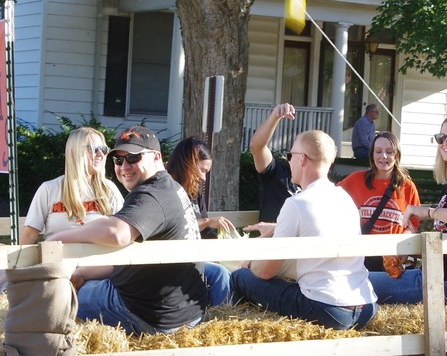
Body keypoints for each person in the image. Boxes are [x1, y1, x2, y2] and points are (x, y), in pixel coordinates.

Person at [47, 125, 207, 334]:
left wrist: (59, 238)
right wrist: (84, 272)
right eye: (118, 160)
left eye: (133, 158)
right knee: (79, 279)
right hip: (183, 312)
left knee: (61, 295)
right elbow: (128, 261)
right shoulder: (170, 187)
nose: (124, 167)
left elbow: (117, 234)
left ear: (156, 157)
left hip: (149, 316)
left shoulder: (152, 195)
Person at [231, 130, 378, 330]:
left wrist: (250, 263)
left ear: (302, 159)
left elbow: (266, 271)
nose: (288, 161)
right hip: (367, 306)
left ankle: (241, 333)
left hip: (329, 308)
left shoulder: (297, 203)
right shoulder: (345, 199)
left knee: (240, 278)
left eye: (290, 156)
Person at [367, 113, 447, 306]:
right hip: (446, 280)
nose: (445, 143)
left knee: (361, 283)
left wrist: (429, 212)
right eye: (441, 138)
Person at [21, 127, 123, 244]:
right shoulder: (49, 189)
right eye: (94, 149)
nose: (100, 154)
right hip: (57, 260)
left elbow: (122, 231)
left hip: (97, 261)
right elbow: (29, 234)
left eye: (104, 149)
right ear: (73, 152)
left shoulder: (109, 189)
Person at [337, 131, 421, 272]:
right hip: (360, 258)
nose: (383, 156)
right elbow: (331, 198)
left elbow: (413, 225)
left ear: (397, 155)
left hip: (392, 258)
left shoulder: (407, 186)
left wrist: (401, 248)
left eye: (389, 152)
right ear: (372, 154)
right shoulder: (355, 179)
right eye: (378, 151)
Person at [167, 137, 235, 306]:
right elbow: (173, 227)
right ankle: (222, 320)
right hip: (175, 259)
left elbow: (206, 230)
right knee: (220, 273)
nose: (204, 178)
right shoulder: (167, 190)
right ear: (188, 164)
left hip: (197, 255)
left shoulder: (194, 192)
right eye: (202, 170)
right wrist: (206, 222)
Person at [250, 103, 301, 222]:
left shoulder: (324, 192)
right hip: (272, 241)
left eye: (293, 155)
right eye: (289, 155)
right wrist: (275, 115)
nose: (290, 159)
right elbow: (257, 146)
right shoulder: (277, 174)